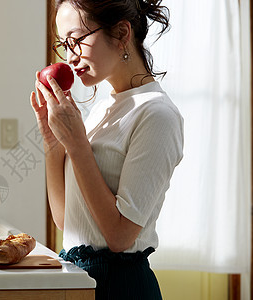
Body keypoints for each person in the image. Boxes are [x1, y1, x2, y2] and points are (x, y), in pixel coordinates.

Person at [30, 0, 183, 299]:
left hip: (120, 285)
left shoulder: (157, 114)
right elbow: (67, 221)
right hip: (79, 280)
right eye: (65, 43)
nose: (70, 56)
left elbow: (119, 236)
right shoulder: (102, 110)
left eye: (77, 40)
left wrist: (77, 145)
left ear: (122, 32)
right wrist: (53, 144)